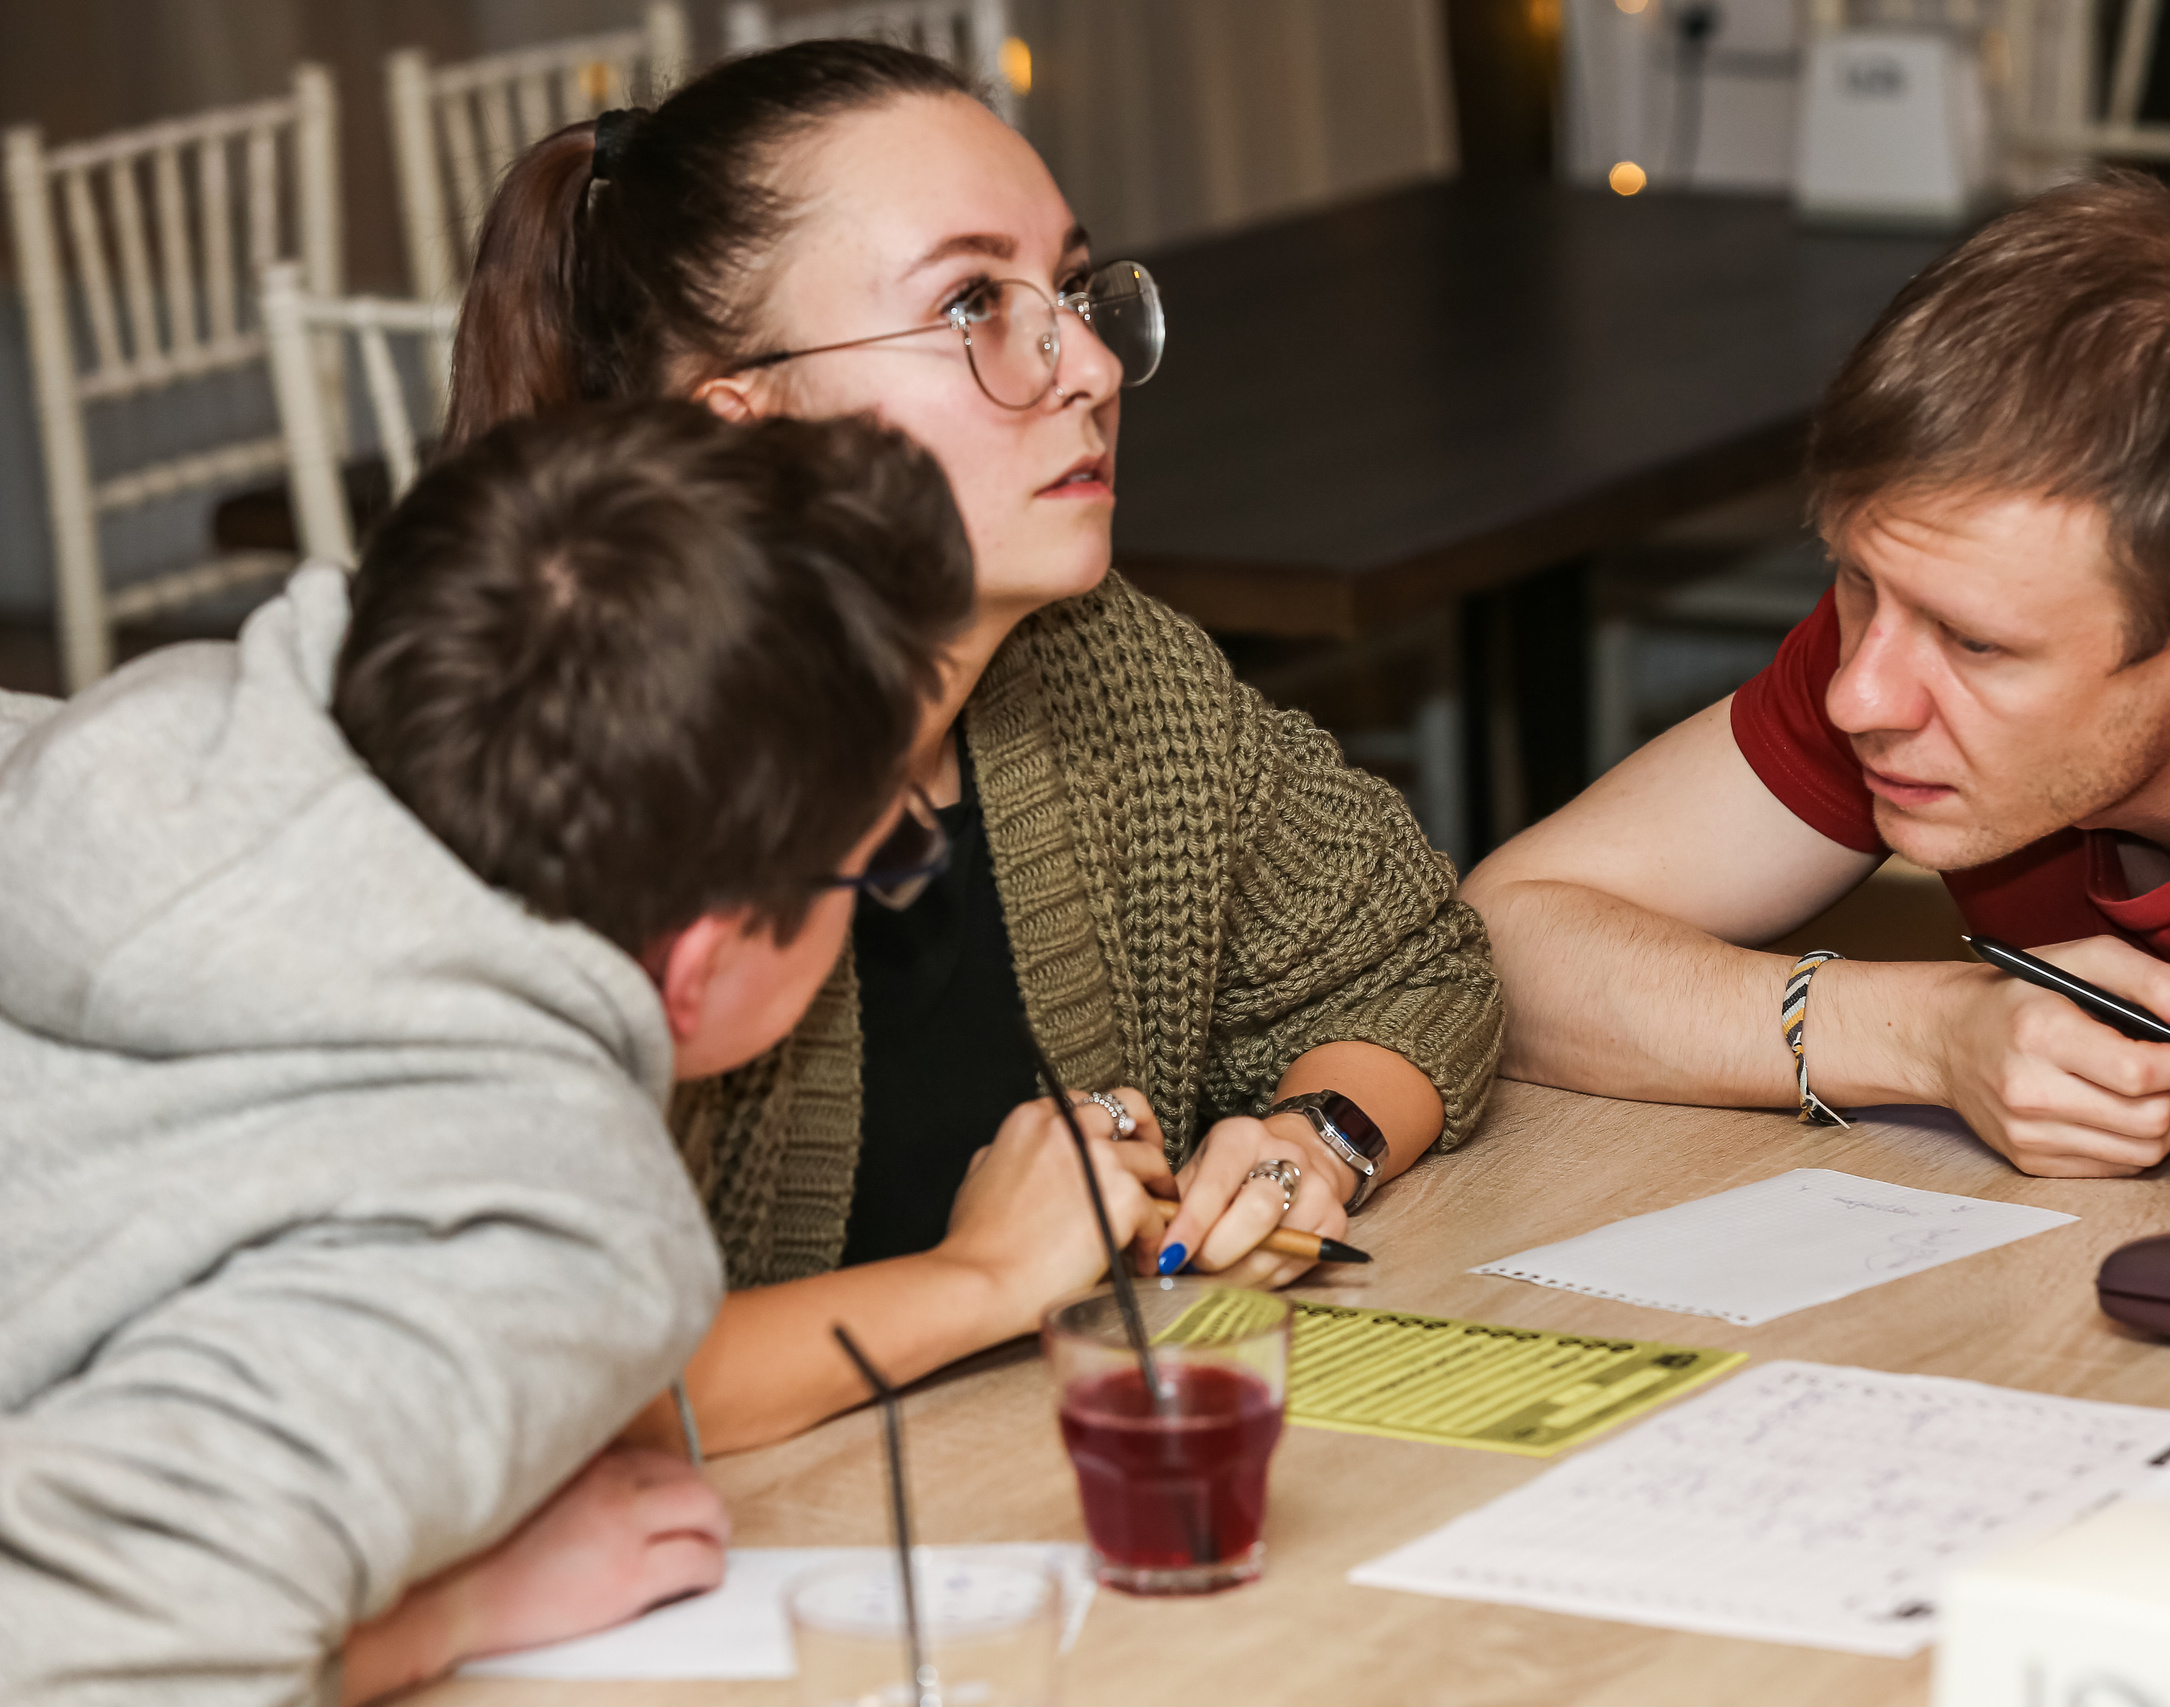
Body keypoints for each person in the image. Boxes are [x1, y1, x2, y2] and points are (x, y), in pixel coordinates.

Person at [441, 39, 1504, 1457]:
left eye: (1070, 290)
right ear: (746, 428)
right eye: (970, 305)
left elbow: (1410, 960)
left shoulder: (1099, 666)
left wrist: (1313, 1140)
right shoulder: (565, 785)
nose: (1095, 366)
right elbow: (526, 1368)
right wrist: (984, 1278)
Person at [0, 401, 974, 1702]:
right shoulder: (537, 1220)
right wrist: (458, 1606)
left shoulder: (77, 756)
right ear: (701, 961)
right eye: (873, 860)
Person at [1465, 173, 2170, 1176]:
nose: (1857, 698)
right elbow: (1498, 943)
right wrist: (1929, 1034)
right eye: (1856, 580)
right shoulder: (1947, 582)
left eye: (1976, 645)